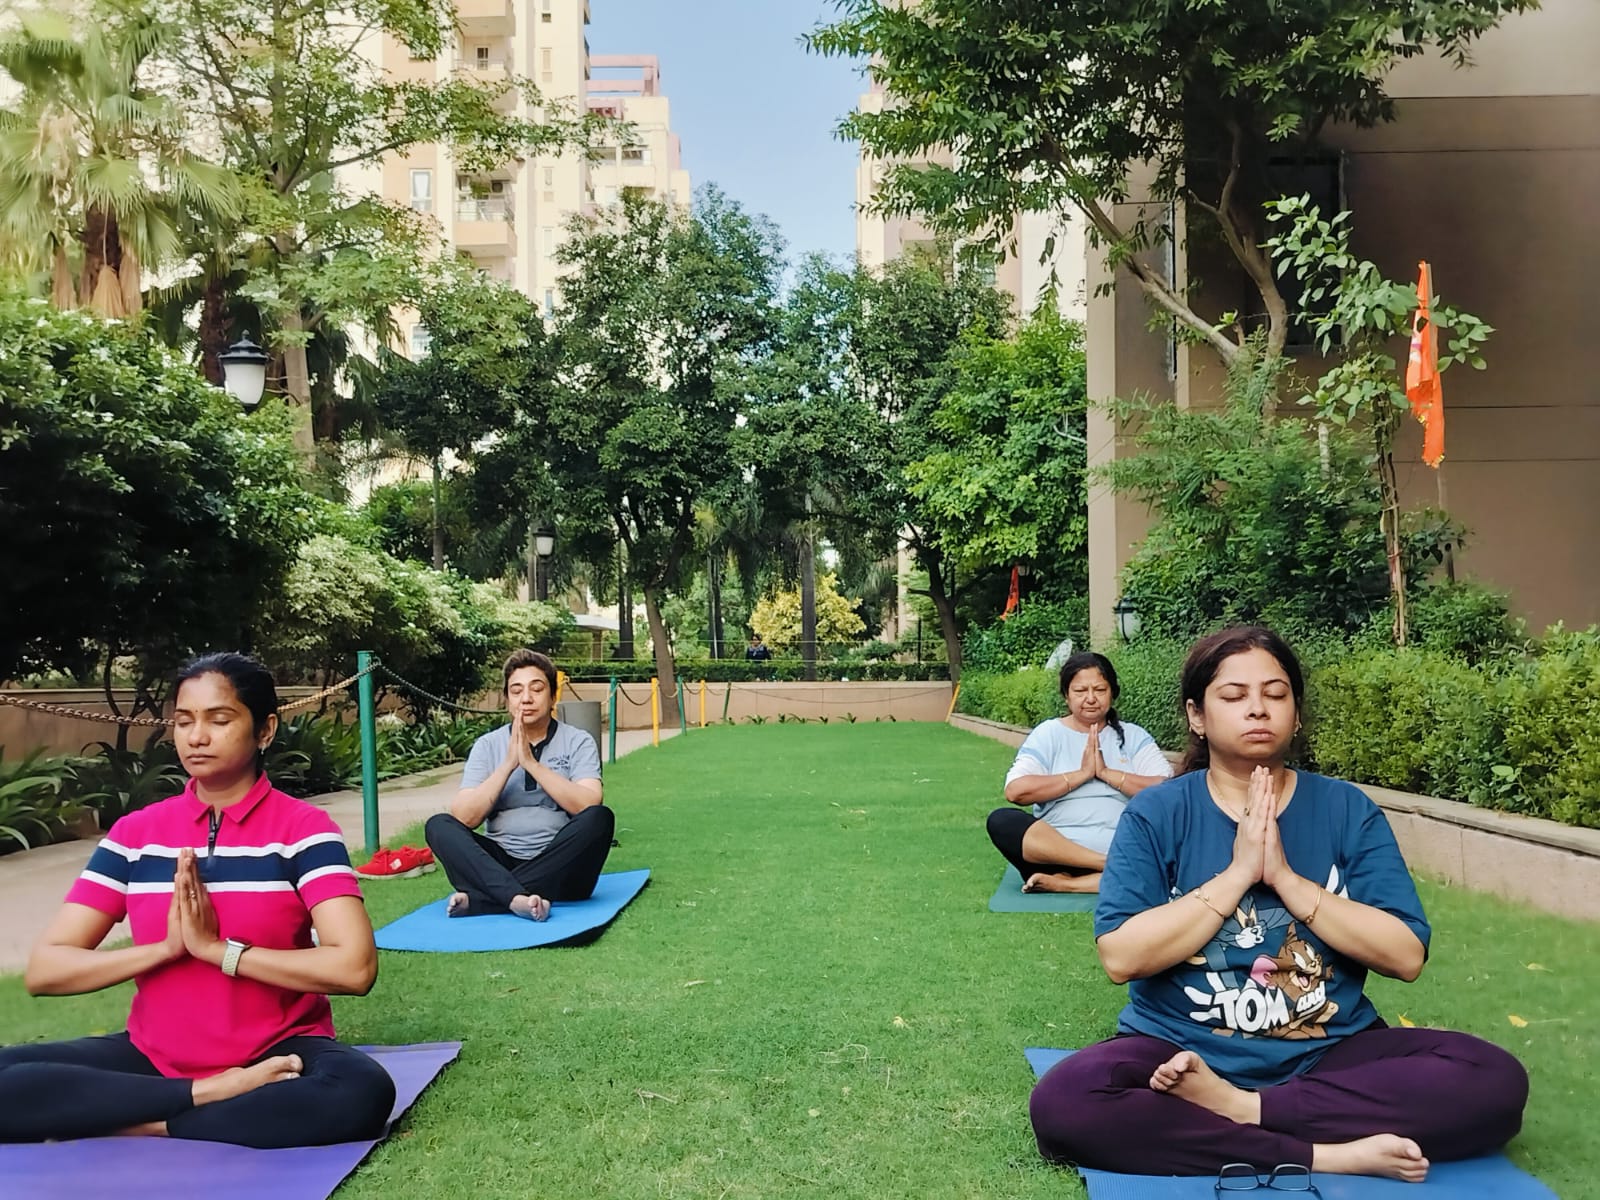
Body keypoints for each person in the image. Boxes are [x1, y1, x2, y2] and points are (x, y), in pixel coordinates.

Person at [1029, 627, 1529, 1182]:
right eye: (1234, 695)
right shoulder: (1157, 814)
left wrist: (1287, 880)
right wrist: (1240, 872)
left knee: (1493, 1080)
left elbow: (1406, 955)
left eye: (1275, 693)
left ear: (1295, 711)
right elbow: (1122, 958)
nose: (1258, 709)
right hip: (1178, 1049)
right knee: (1066, 1102)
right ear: (1197, 715)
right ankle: (1325, 1154)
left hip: (1328, 1051)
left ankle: (1246, 1113)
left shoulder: (1346, 809)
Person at [0, 653, 394, 1148]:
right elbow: (45, 970)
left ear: (265, 730)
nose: (196, 736)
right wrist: (167, 949)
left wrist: (217, 951)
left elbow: (354, 968)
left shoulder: (303, 832)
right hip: (153, 1056)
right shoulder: (135, 835)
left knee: (359, 1092)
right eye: (184, 721)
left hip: (277, 1053)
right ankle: (207, 1095)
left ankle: (144, 1120)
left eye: (219, 719)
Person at [424, 649, 612, 920]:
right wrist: (509, 764)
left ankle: (487, 899)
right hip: (499, 860)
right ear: (507, 699)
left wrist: (532, 764)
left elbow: (587, 803)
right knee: (439, 825)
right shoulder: (488, 745)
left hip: (563, 866)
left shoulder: (577, 741)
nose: (526, 698)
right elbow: (465, 816)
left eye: (537, 689)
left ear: (552, 696)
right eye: (516, 691)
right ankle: (516, 897)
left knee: (599, 818)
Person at [986, 652, 1172, 893]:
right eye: (1081, 691)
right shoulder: (1049, 733)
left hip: (1125, 844)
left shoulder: (1133, 736)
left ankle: (1069, 884)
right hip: (1056, 854)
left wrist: (1106, 773)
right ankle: (1109, 867)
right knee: (1002, 821)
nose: (1091, 698)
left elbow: (1168, 792)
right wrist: (1082, 774)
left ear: (1112, 693)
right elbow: (1016, 791)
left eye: (1100, 690)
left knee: (1180, 835)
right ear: (1066, 696)